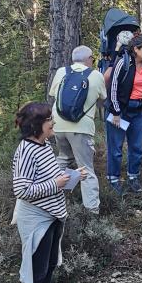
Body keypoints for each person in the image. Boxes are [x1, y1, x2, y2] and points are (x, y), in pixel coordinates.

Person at [12, 102, 84, 283]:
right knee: (33, 272)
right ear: (37, 125)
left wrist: (72, 177)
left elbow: (49, 179)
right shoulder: (26, 150)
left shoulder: (44, 146)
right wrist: (56, 184)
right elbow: (21, 190)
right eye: (49, 120)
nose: (53, 123)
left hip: (53, 216)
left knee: (48, 266)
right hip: (35, 219)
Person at [48, 46, 107, 215]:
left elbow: (53, 94)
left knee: (63, 158)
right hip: (81, 128)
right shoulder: (95, 75)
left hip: (58, 126)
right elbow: (103, 98)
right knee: (85, 168)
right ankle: (91, 210)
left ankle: (52, 198)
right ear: (89, 58)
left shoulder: (61, 72)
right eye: (92, 59)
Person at [106, 34, 142, 194]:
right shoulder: (123, 63)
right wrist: (115, 112)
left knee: (137, 148)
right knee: (116, 148)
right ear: (136, 49)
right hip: (121, 112)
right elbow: (113, 88)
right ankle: (113, 179)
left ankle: (133, 177)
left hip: (138, 112)